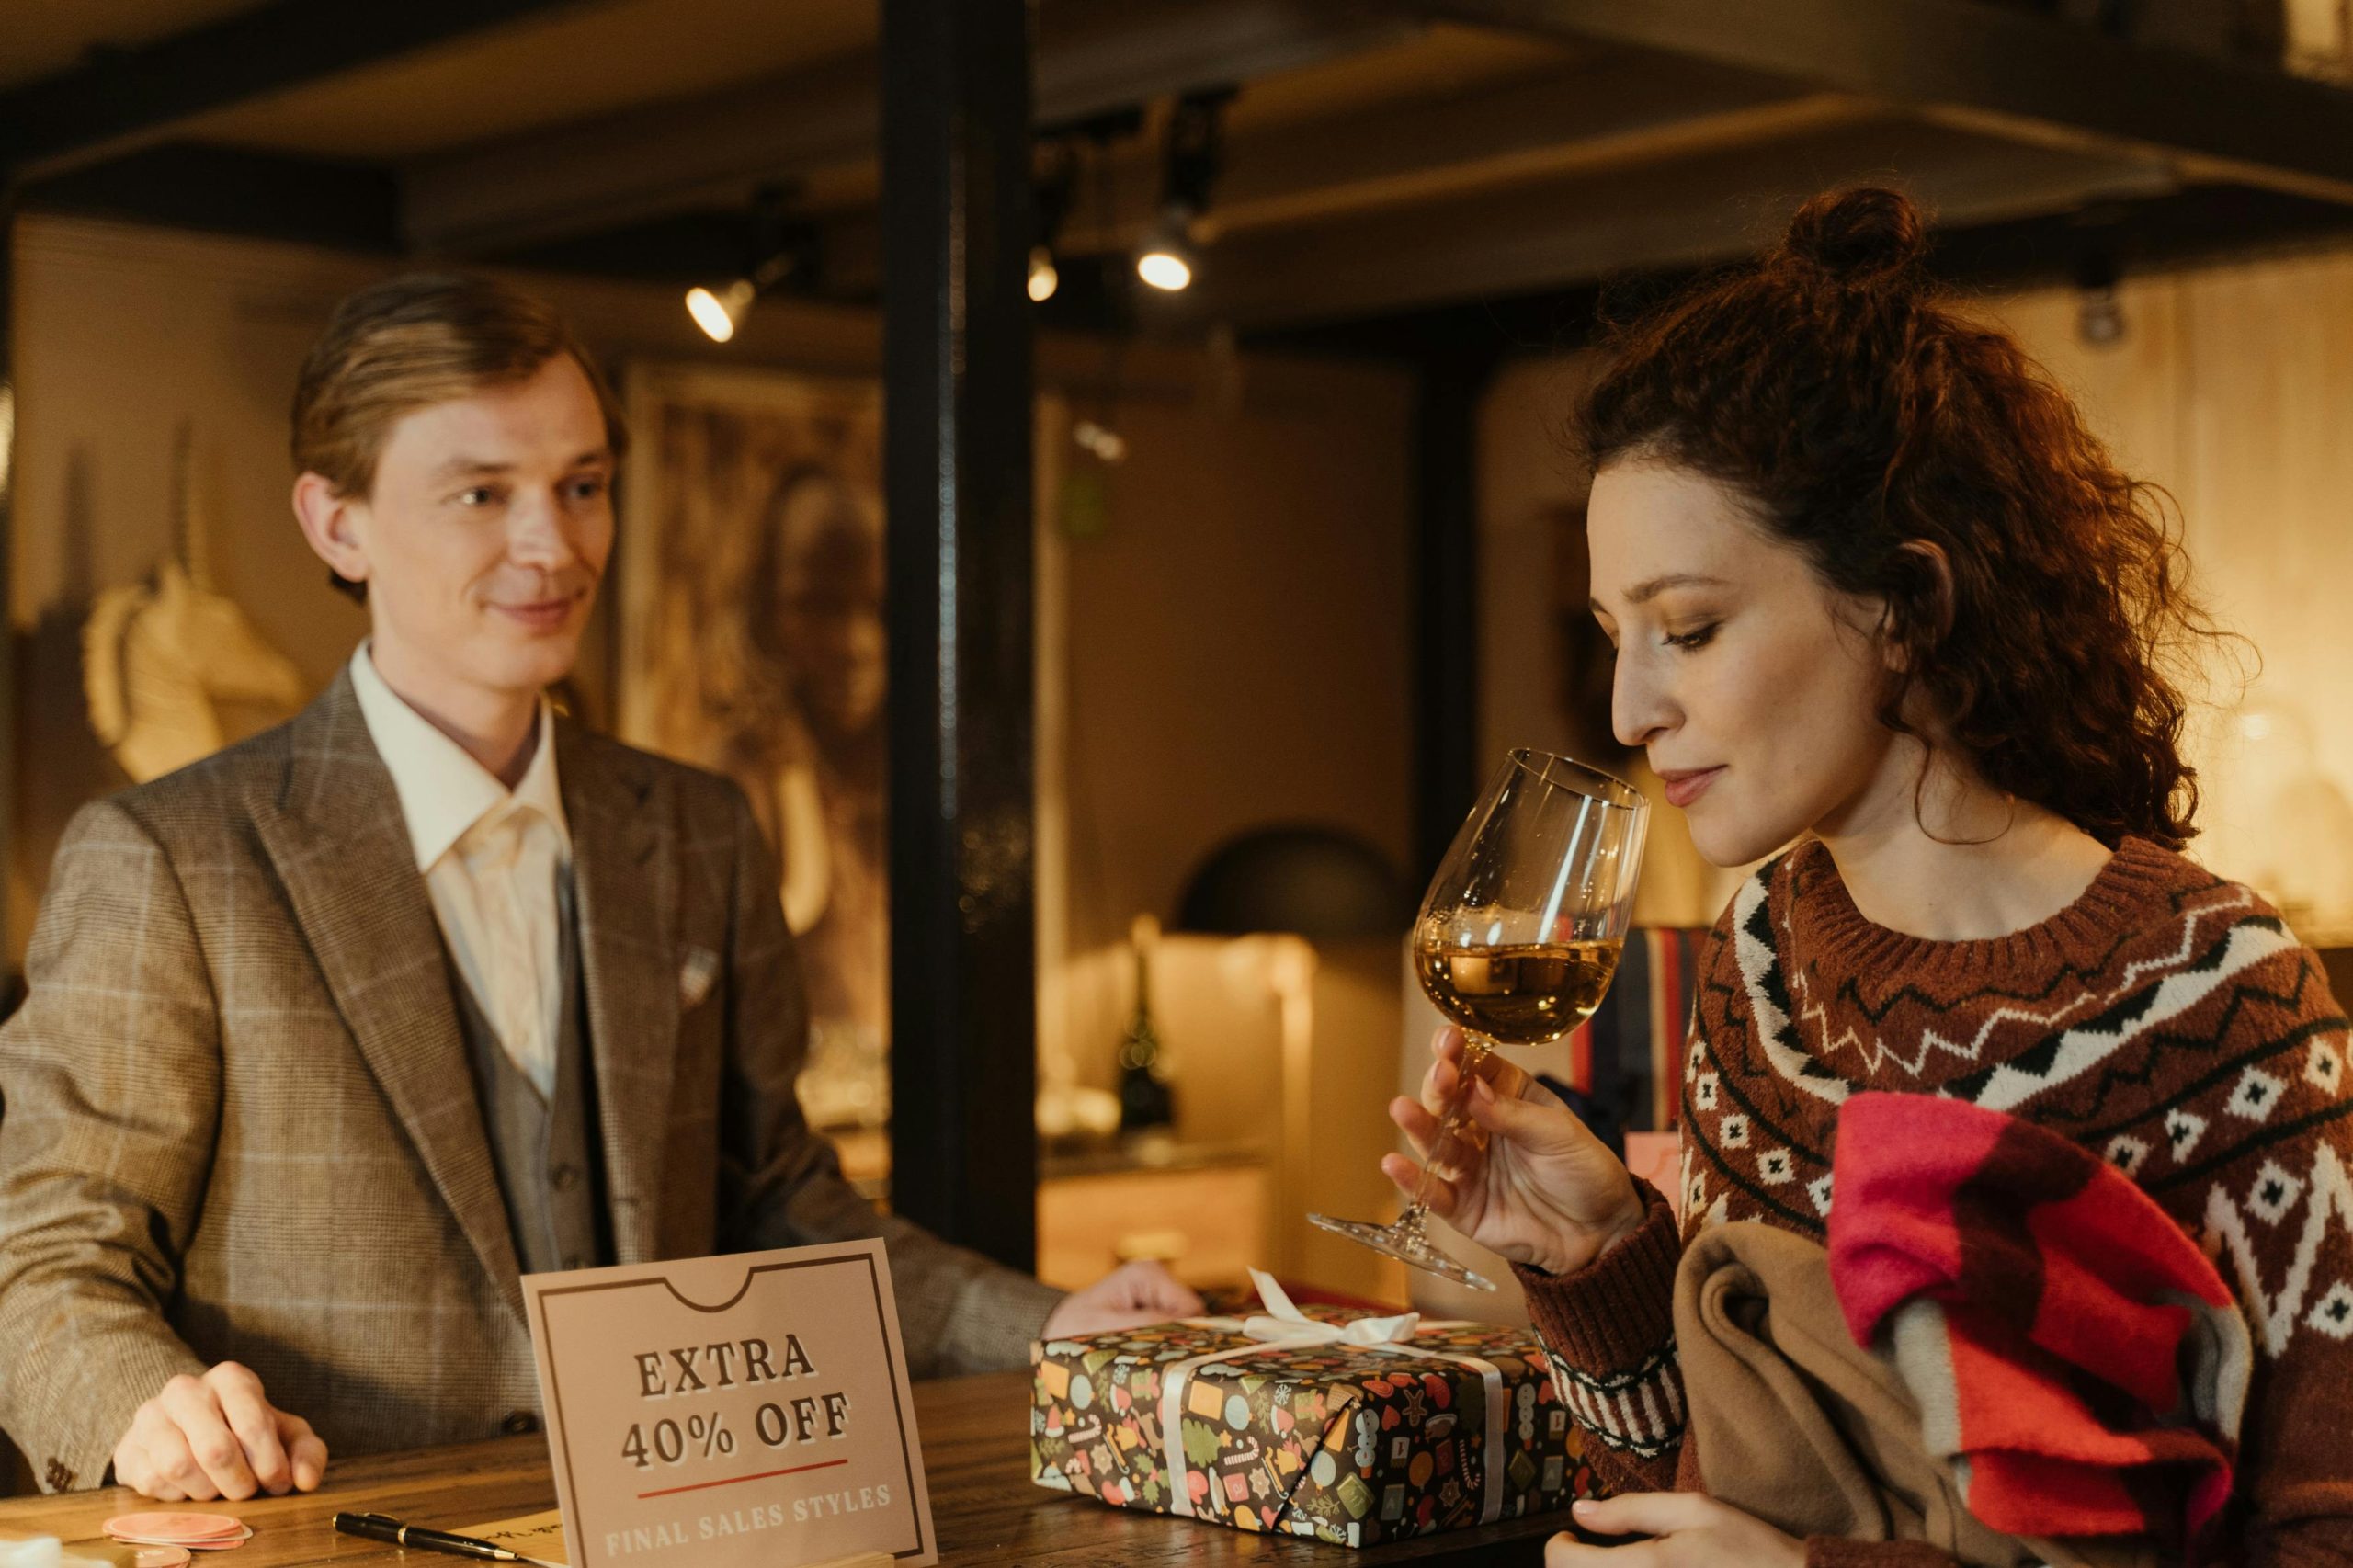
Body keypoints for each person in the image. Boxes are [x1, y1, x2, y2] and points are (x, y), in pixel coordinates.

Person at [0, 274, 1197, 1502]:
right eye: (482, 494)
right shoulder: (170, 858)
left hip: (677, 1536)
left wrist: (1050, 1321)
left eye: (582, 486)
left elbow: (781, 1203)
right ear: (336, 523)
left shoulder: (695, 830)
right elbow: (44, 1261)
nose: (555, 546)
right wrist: (146, 1407)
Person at [1387, 188, 2353, 1564]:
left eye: (1690, 627)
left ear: (1904, 603)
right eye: (1612, 634)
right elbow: (1708, 1477)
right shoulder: (1763, 966)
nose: (1627, 706)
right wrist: (1599, 1260)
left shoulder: (2222, 1004)